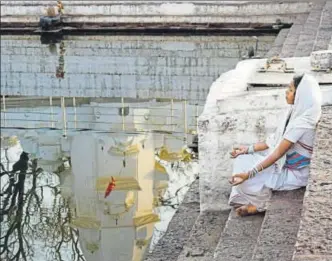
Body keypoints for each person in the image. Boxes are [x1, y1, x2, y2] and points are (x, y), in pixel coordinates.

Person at [228, 74, 322, 216]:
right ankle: (254, 198)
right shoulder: (292, 112)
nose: (286, 92)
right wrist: (247, 149)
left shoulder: (303, 123)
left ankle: (261, 205)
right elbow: (272, 141)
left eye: (290, 90)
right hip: (283, 165)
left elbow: (278, 153)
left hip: (296, 173)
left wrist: (249, 174)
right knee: (242, 159)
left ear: (300, 96)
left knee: (245, 180)